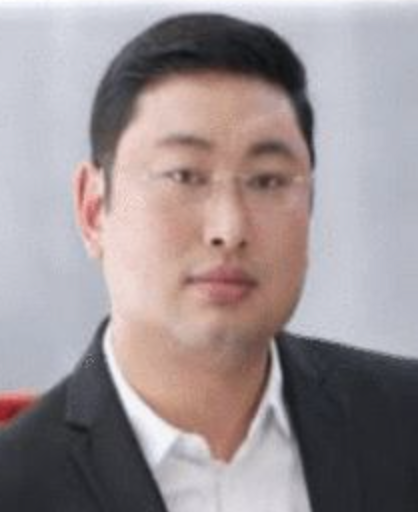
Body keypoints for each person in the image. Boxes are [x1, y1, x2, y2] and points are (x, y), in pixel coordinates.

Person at [0, 12, 417, 512]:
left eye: (267, 180)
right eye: (183, 176)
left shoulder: (403, 426)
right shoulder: (17, 480)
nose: (229, 228)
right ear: (93, 209)